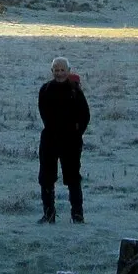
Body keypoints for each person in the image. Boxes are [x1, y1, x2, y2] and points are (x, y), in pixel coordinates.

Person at [37, 56, 90, 223]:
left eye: (62, 70)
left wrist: (75, 133)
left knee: (73, 178)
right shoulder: (45, 90)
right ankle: (49, 215)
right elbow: (43, 114)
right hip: (49, 141)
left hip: (71, 143)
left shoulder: (75, 91)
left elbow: (85, 116)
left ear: (68, 71)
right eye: (56, 70)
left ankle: (77, 215)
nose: (59, 73)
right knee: (46, 178)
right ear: (51, 71)